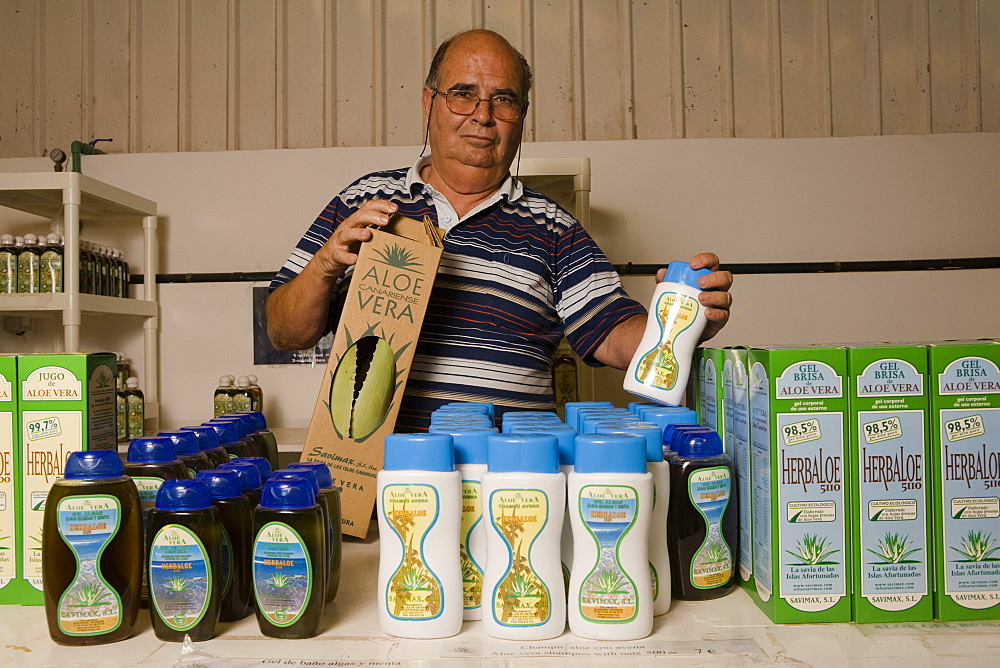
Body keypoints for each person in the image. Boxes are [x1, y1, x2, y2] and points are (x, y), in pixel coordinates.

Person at [268, 29, 733, 429]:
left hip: (514, 488)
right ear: (429, 102)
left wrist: (686, 321)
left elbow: (613, 336)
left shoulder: (553, 227)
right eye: (463, 93)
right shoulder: (363, 202)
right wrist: (326, 265)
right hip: (381, 485)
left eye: (504, 99)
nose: (483, 114)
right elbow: (283, 331)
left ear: (521, 118)